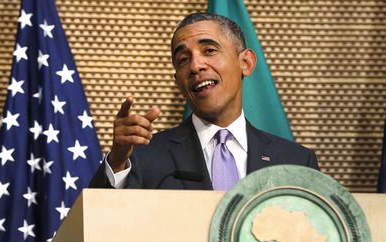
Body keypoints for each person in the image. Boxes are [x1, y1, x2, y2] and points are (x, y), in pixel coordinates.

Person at [89, 12, 319, 190]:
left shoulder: (296, 161)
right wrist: (118, 161)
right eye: (183, 59)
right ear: (178, 81)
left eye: (209, 50)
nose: (195, 66)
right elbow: (98, 223)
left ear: (246, 63)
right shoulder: (141, 157)